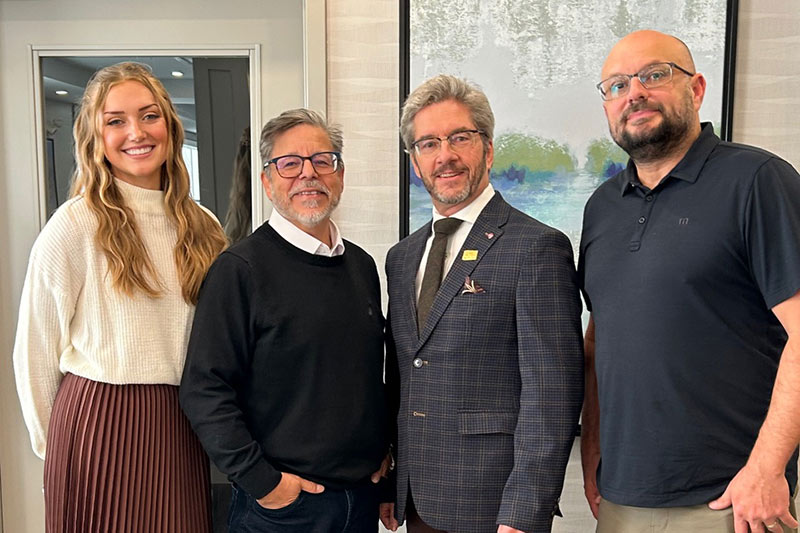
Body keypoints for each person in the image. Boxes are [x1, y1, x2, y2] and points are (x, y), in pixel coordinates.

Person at [579, 29, 800, 533]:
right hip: (621, 500)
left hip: (730, 504)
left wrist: (766, 470)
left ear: (696, 89)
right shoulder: (601, 208)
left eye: (653, 75)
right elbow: (601, 335)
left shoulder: (759, 181)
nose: (633, 93)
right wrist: (592, 447)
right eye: (615, 85)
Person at [12, 62, 227, 533]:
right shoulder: (74, 226)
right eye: (116, 121)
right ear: (96, 137)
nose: (136, 132)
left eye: (149, 116)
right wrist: (58, 455)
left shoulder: (204, 227)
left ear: (169, 125)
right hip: (95, 424)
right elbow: (34, 352)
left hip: (178, 425)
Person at [384, 74, 584, 533]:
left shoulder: (536, 247)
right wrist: (394, 485)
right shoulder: (401, 258)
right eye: (428, 143)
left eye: (460, 138)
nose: (445, 155)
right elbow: (405, 375)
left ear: (488, 149)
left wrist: (525, 511)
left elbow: (552, 395)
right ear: (415, 162)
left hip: (494, 508)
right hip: (418, 501)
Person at [179, 108, 392, 533]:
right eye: (289, 164)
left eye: (322, 160)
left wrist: (384, 455)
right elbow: (204, 388)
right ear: (267, 181)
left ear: (340, 174)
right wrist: (264, 483)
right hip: (283, 510)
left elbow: (367, 375)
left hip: (361, 500)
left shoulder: (362, 266)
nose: (308, 174)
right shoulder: (239, 270)